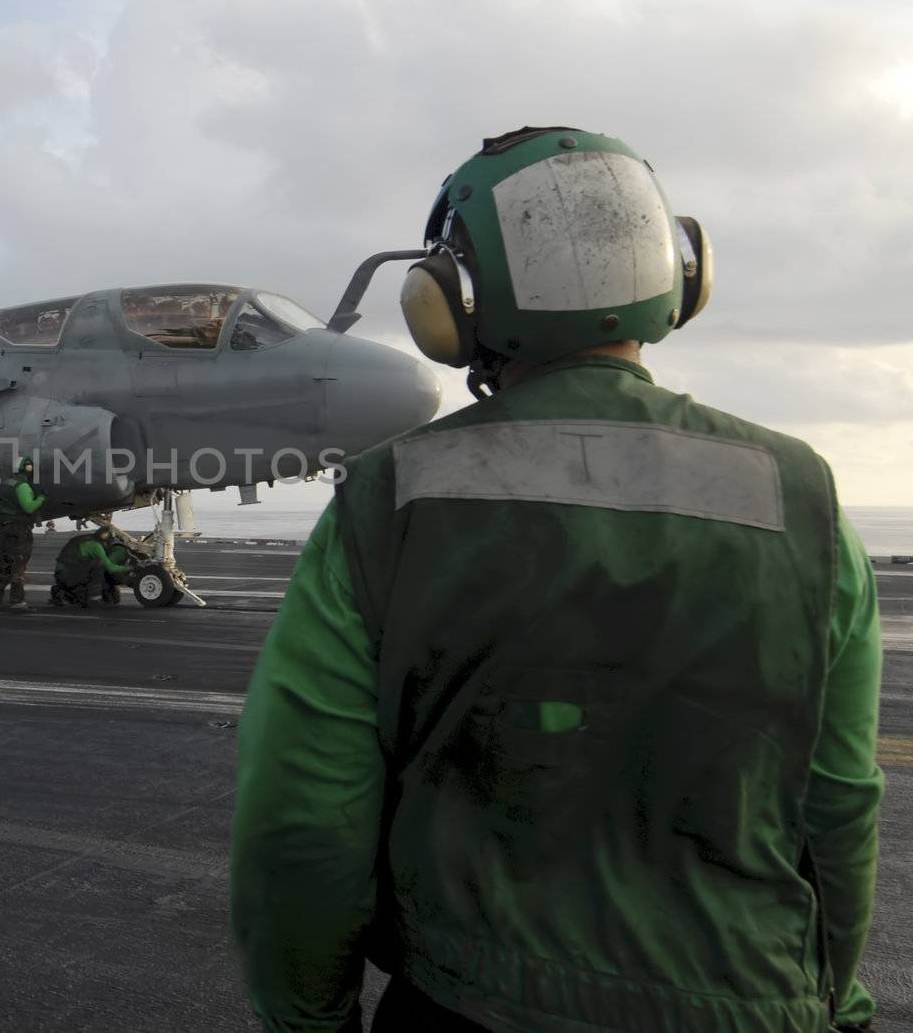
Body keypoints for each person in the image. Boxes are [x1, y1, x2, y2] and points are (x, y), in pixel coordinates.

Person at [231, 127, 883, 1032]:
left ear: (451, 301)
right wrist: (833, 997)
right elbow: (839, 805)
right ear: (680, 275)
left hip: (468, 1004)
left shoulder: (391, 496)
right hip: (756, 998)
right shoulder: (799, 496)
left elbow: (301, 815)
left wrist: (311, 1019)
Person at [0, 455, 46, 610]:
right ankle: (17, 601)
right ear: (27, 468)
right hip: (19, 530)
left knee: (4, 565)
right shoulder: (22, 486)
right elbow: (29, 507)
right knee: (18, 567)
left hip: (6, 529)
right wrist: (41, 498)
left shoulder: (8, 483)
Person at [49, 526, 131, 608]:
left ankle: (61, 591)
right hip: (67, 574)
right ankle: (94, 598)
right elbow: (110, 568)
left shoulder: (87, 539)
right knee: (99, 564)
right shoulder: (95, 546)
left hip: (62, 574)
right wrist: (130, 568)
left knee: (80, 598)